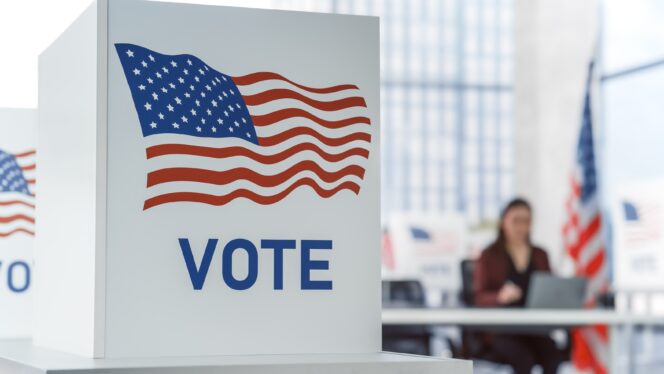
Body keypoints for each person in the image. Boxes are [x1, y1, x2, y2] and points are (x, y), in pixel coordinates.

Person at [473, 197, 562, 374]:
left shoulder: (540, 255)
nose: (521, 227)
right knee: (523, 359)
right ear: (503, 222)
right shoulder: (489, 255)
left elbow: (551, 288)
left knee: (552, 353)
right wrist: (499, 296)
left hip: (534, 327)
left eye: (527, 221)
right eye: (516, 221)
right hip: (502, 330)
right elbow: (479, 296)